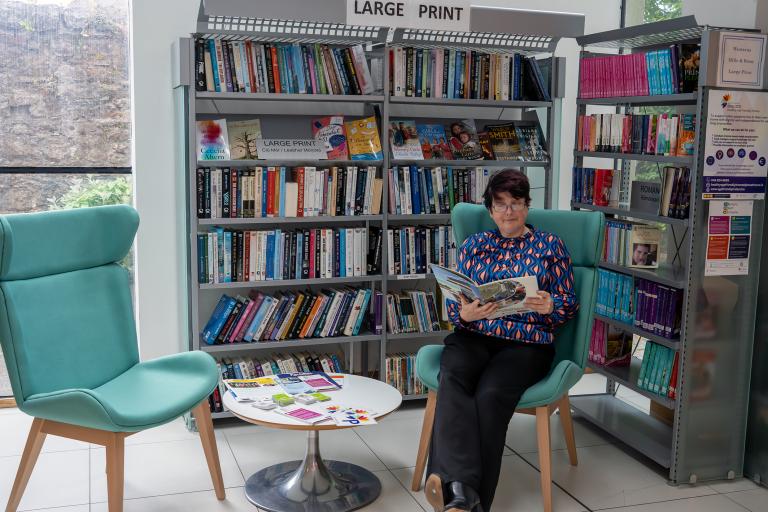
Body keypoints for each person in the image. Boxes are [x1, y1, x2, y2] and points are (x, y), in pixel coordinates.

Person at [425, 169, 579, 512]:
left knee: (490, 395)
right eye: (500, 205)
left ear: (527, 206)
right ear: (490, 209)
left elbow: (569, 305)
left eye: (516, 203)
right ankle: (465, 497)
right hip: (474, 336)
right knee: (453, 378)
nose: (508, 212)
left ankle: (455, 490)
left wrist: (550, 305)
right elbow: (455, 302)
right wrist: (464, 315)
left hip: (526, 344)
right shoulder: (474, 245)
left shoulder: (550, 246)